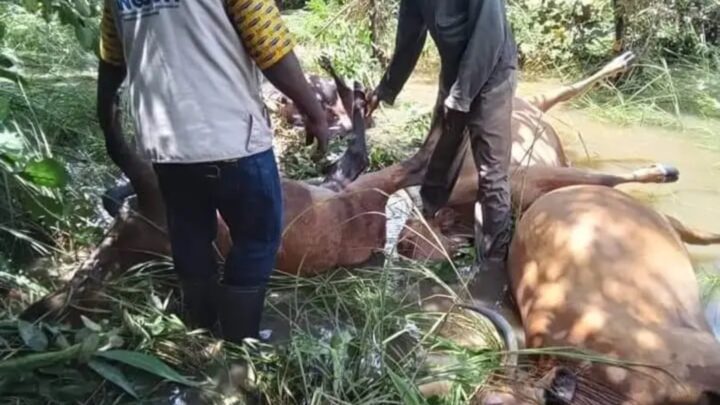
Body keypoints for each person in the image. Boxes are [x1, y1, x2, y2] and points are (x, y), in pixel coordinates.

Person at [95, 0, 330, 343]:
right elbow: (270, 45)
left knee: (189, 234)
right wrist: (315, 112)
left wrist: (106, 120)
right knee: (257, 238)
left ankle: (201, 333)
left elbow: (111, 58)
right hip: (230, 136)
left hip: (166, 143)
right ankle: (238, 345)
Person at [366, 1, 518, 307]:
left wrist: (462, 96)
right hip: (454, 73)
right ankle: (428, 225)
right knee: (438, 159)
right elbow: (409, 39)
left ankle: (492, 268)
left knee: (491, 175)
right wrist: (384, 90)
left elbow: (490, 35)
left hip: (492, 74)